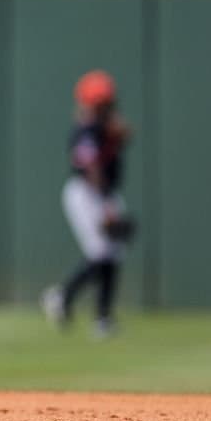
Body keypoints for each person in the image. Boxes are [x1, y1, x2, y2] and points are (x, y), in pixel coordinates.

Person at [42, 70, 132, 339]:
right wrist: (105, 204)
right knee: (101, 251)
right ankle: (62, 297)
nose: (106, 106)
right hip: (86, 193)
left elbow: (120, 138)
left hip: (103, 192)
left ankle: (102, 318)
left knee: (113, 253)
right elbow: (91, 167)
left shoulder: (104, 128)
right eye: (101, 102)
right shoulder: (86, 130)